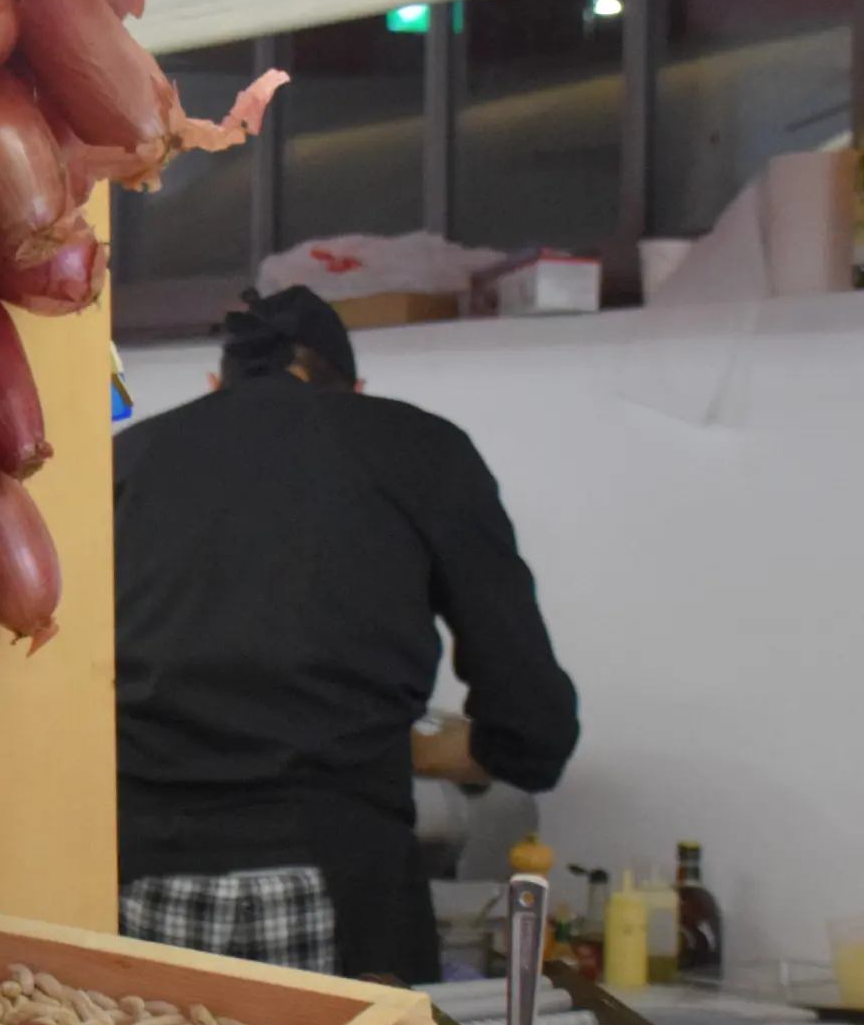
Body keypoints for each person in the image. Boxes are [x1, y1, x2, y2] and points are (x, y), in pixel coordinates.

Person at [114, 286, 580, 988]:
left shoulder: (127, 460)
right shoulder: (420, 449)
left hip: (137, 887)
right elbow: (533, 723)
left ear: (216, 384)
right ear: (356, 388)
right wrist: (449, 748)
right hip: (344, 887)